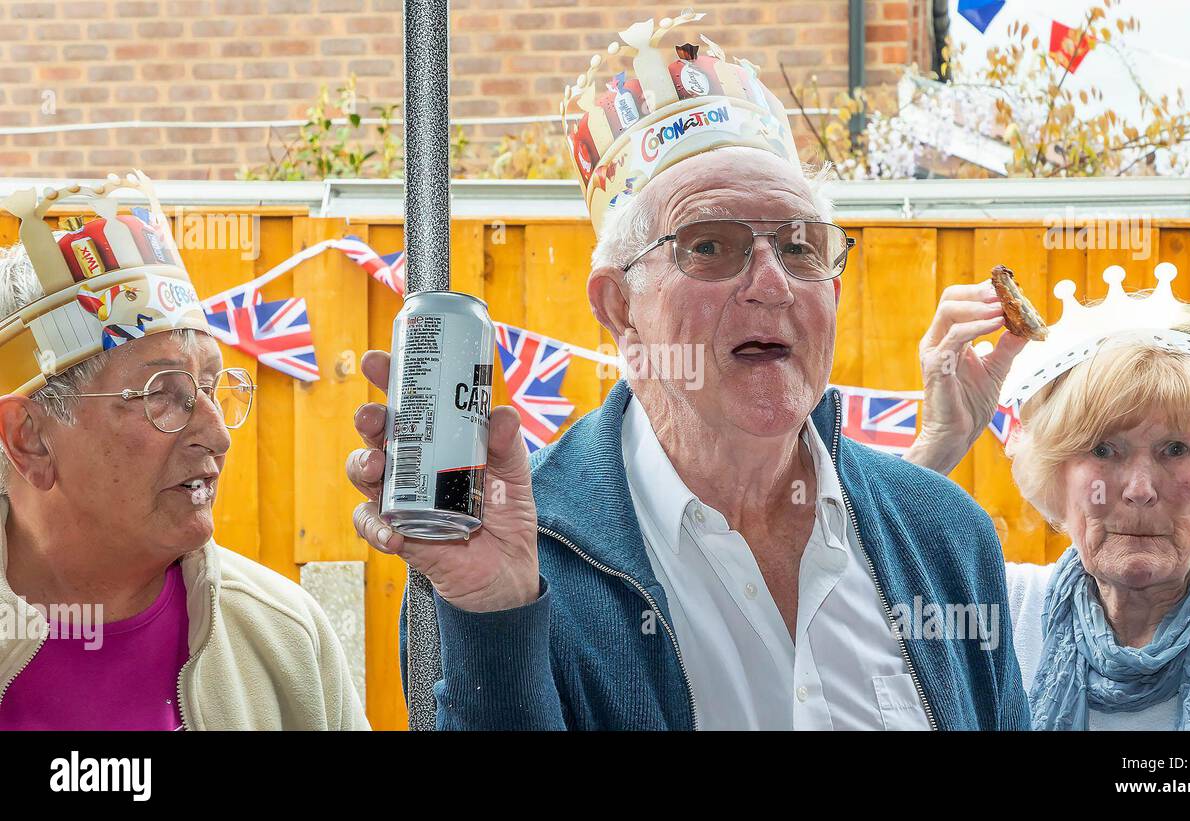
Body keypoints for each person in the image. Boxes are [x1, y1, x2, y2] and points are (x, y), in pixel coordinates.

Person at [346, 16, 1029, 730]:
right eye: (711, 244)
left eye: (801, 247)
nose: (773, 284)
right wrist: (496, 620)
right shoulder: (518, 558)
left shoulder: (946, 536)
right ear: (621, 307)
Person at [0, 171, 367, 730]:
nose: (218, 435)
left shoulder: (284, 639)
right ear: (30, 437)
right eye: (162, 395)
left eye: (214, 388)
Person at [909, 265, 1190, 729]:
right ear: (1055, 473)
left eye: (1174, 449)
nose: (1140, 490)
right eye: (1103, 450)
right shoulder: (999, 611)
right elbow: (839, 607)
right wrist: (940, 440)